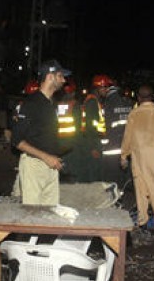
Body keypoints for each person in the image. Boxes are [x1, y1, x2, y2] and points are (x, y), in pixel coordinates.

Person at [10, 59, 69, 205]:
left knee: (49, 216)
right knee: (33, 216)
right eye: (60, 76)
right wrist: (46, 157)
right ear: (50, 77)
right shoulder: (31, 103)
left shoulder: (51, 103)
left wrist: (53, 156)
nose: (64, 80)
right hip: (34, 166)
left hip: (51, 166)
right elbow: (16, 140)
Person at [120, 84, 154, 230]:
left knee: (141, 190)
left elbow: (127, 137)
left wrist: (124, 156)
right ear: (152, 96)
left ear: (139, 98)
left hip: (140, 158)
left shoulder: (134, 114)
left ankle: (142, 221)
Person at [75, 75, 108, 182]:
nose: (106, 90)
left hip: (93, 142)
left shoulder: (94, 101)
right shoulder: (92, 103)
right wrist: (93, 147)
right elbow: (89, 127)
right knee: (93, 175)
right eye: (104, 87)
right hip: (92, 143)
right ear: (97, 88)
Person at [101, 80, 133, 184]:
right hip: (127, 143)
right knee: (124, 172)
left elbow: (106, 124)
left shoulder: (109, 101)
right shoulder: (127, 100)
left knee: (112, 175)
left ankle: (116, 196)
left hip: (112, 143)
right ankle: (123, 192)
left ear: (107, 89)